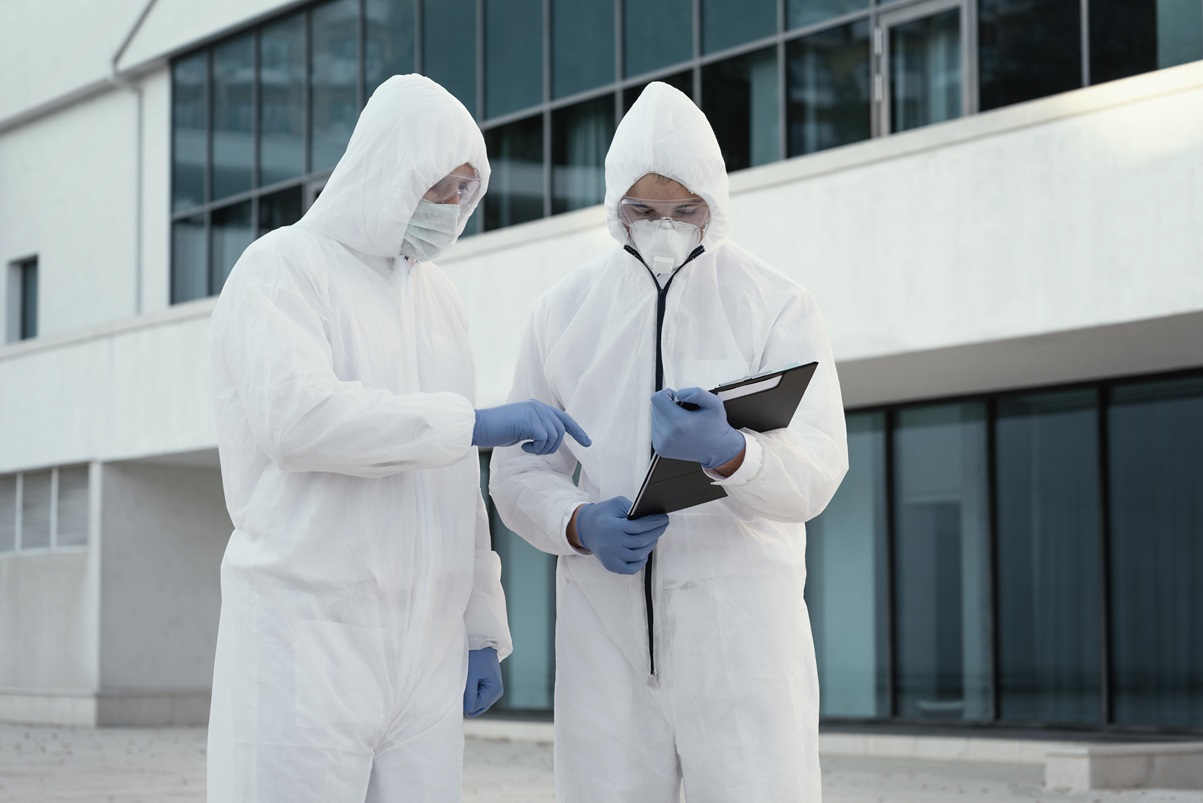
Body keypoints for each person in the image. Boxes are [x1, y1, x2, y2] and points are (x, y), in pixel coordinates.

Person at [206, 74, 588, 803]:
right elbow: (300, 419)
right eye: (439, 186)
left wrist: (482, 623)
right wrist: (471, 424)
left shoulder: (438, 298)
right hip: (308, 630)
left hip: (423, 647)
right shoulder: (282, 267)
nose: (451, 208)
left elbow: (453, 487)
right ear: (390, 170)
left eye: (463, 192)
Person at [488, 82, 849, 802]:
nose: (663, 226)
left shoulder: (775, 303)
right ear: (613, 204)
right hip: (605, 633)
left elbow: (816, 471)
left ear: (714, 201)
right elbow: (517, 472)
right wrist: (577, 522)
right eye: (643, 210)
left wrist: (732, 452)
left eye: (684, 210)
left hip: (741, 634)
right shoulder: (561, 313)